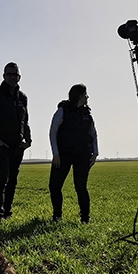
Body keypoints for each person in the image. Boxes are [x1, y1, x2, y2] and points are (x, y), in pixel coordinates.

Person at [0, 62, 32, 221]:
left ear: (19, 77)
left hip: (17, 146)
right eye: (8, 74)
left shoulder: (22, 97)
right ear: (4, 76)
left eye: (14, 74)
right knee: (2, 178)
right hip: (1, 146)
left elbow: (25, 120)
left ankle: (7, 213)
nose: (11, 77)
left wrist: (28, 140)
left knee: (13, 181)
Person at [49, 84, 99, 223]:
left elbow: (93, 134)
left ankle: (85, 219)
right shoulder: (62, 111)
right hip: (63, 154)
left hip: (83, 155)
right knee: (55, 186)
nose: (87, 98)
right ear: (78, 96)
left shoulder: (87, 114)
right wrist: (56, 154)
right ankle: (57, 216)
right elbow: (53, 132)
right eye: (85, 95)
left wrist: (95, 152)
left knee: (81, 186)